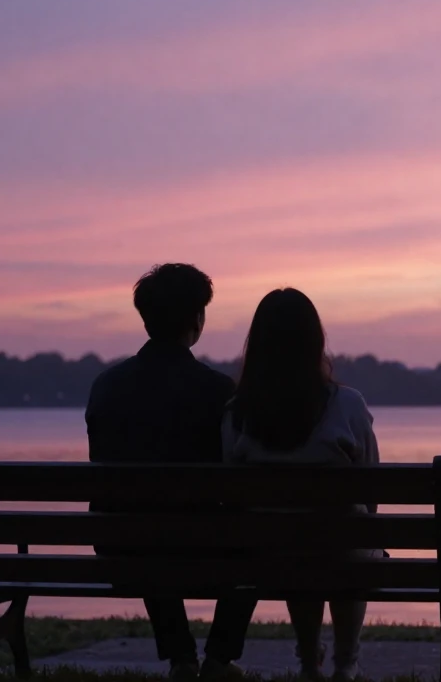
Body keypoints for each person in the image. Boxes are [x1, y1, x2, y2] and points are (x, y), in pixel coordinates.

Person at [86, 263, 256, 681]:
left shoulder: (107, 386)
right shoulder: (219, 391)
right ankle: (218, 658)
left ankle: (181, 658)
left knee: (145, 526)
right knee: (256, 540)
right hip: (201, 545)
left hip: (121, 546)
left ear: (146, 320)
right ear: (197, 319)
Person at [221, 288, 379, 682]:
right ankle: (345, 664)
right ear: (315, 341)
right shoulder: (348, 405)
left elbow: (230, 489)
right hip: (341, 550)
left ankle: (310, 663)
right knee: (349, 538)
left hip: (272, 556)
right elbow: (371, 485)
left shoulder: (237, 413)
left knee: (294, 539)